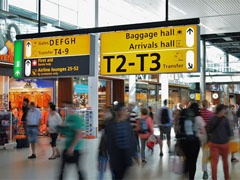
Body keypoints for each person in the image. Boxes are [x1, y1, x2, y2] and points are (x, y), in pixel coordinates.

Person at [105, 102, 137, 180]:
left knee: (121, 175)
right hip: (116, 158)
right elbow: (107, 142)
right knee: (117, 176)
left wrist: (135, 154)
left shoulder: (127, 124)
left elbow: (132, 140)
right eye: (124, 110)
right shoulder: (110, 125)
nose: (125, 112)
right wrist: (104, 157)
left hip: (126, 157)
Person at [57, 102, 85, 180]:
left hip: (75, 148)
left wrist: (72, 148)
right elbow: (67, 130)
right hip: (67, 146)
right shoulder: (68, 118)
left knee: (78, 169)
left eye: (69, 108)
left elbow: (78, 134)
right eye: (66, 108)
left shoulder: (77, 119)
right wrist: (60, 128)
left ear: (74, 109)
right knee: (62, 169)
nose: (67, 110)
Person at [178, 102, 206, 180]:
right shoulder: (199, 118)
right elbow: (203, 131)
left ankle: (185, 173)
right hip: (194, 142)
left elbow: (178, 127)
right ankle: (191, 178)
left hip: (184, 140)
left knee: (187, 158)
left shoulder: (184, 115)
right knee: (193, 161)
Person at [207, 104, 231, 180]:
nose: (226, 111)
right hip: (224, 143)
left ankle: (214, 178)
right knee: (225, 161)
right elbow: (229, 132)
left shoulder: (212, 119)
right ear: (221, 110)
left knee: (214, 162)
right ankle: (226, 178)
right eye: (225, 109)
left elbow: (209, 130)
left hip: (214, 143)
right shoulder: (225, 119)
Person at [200, 99, 214, 179]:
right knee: (211, 154)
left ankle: (205, 172)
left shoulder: (199, 114)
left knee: (204, 154)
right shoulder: (211, 114)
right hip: (209, 136)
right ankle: (212, 168)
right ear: (208, 105)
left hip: (201, 135)